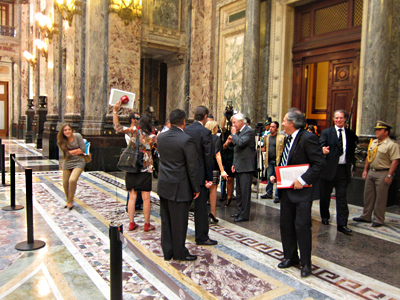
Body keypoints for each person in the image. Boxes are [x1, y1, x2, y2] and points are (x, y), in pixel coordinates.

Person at [271, 108, 325, 277]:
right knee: (286, 225)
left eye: (285, 120)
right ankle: (290, 257)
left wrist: (302, 180)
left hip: (302, 192)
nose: (283, 123)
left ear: (292, 123)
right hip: (286, 190)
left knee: (302, 227)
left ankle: (306, 264)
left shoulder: (308, 138)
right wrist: (276, 175)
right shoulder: (288, 138)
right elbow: (286, 160)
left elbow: (319, 164)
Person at [157, 109, 200, 261]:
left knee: (166, 220)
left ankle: (168, 251)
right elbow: (192, 167)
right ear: (183, 122)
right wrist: (196, 188)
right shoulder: (186, 140)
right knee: (180, 222)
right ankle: (180, 252)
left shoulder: (160, 137)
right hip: (180, 187)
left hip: (164, 184)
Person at [113, 101, 157, 232]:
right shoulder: (153, 137)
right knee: (146, 198)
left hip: (131, 167)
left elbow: (117, 127)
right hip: (145, 169)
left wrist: (115, 111)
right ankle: (146, 224)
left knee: (132, 196)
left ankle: (131, 223)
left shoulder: (133, 132)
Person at [353, 121, 400, 227]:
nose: (377, 131)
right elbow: (369, 158)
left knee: (381, 197)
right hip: (371, 172)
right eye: (376, 130)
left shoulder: (392, 145)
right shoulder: (373, 142)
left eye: (379, 130)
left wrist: (389, 175)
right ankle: (366, 216)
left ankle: (378, 219)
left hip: (383, 172)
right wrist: (365, 170)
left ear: (386, 132)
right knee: (368, 195)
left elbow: (395, 161)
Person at [319, 110, 358, 235]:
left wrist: (354, 165)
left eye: (341, 118)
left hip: (343, 170)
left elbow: (352, 151)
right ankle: (325, 216)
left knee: (342, 197)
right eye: (336, 118)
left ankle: (342, 224)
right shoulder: (326, 132)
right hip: (328, 169)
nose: (339, 120)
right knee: (325, 196)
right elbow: (320, 146)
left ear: (345, 119)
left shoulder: (350, 134)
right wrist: (323, 150)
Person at [185, 106, 218, 246]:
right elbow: (208, 157)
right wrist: (209, 178)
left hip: (186, 175)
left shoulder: (185, 130)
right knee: (201, 208)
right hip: (200, 177)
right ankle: (202, 237)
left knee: (184, 207)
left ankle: (181, 235)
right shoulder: (205, 132)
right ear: (205, 117)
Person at [229, 113, 256, 222]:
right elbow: (237, 150)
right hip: (239, 165)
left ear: (241, 121)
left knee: (245, 193)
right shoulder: (240, 132)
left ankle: (244, 215)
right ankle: (239, 211)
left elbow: (240, 143)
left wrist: (234, 135)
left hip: (246, 167)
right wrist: (234, 163)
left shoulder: (249, 131)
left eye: (234, 122)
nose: (233, 125)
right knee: (239, 191)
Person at [57, 124, 87, 210]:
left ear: (72, 130)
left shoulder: (77, 136)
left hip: (79, 161)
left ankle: (70, 202)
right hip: (68, 161)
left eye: (69, 129)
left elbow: (83, 149)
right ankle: (69, 200)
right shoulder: (61, 141)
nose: (67, 131)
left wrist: (71, 152)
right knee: (65, 182)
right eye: (65, 130)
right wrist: (77, 151)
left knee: (72, 180)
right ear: (62, 132)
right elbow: (65, 154)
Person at [205, 120, 228, 223]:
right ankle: (213, 213)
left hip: (204, 166)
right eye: (217, 127)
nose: (218, 129)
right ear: (213, 128)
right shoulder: (216, 138)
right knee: (213, 191)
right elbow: (217, 154)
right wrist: (222, 170)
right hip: (213, 166)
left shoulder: (203, 137)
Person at [260, 121, 284, 201]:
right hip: (269, 160)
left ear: (277, 128)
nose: (271, 128)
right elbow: (265, 148)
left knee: (278, 178)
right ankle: (269, 193)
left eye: (273, 127)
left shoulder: (281, 137)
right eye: (270, 126)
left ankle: (278, 195)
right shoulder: (267, 137)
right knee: (269, 177)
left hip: (278, 160)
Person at [220, 112, 235, 206]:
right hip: (227, 156)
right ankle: (226, 196)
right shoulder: (227, 133)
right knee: (227, 178)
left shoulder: (239, 134)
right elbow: (222, 126)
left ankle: (230, 196)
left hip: (235, 156)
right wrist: (225, 115)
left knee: (231, 179)